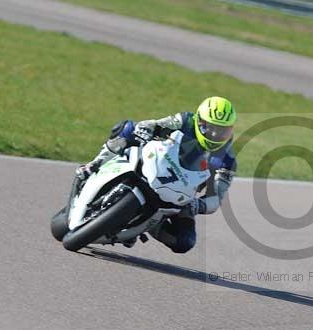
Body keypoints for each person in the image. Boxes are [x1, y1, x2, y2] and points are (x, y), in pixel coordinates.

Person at [75, 96, 237, 253]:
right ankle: (94, 165)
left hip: (181, 196)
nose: (215, 135)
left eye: (222, 130)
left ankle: (146, 226)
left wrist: (199, 205)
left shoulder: (228, 160)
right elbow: (153, 124)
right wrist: (145, 130)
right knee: (128, 128)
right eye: (210, 127)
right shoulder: (185, 120)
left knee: (185, 241)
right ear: (199, 120)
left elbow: (216, 197)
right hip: (158, 163)